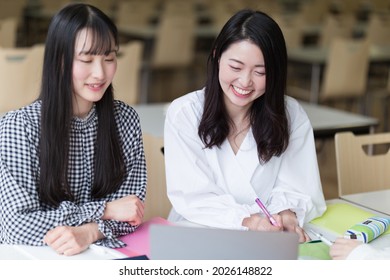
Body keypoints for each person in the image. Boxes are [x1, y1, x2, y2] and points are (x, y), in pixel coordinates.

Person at [164, 9, 326, 242]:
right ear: (217, 56)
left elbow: (299, 187)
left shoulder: (291, 114)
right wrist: (249, 222)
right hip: (199, 233)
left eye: (260, 72)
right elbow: (194, 198)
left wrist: (287, 214)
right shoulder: (185, 113)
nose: (245, 82)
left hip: (268, 237)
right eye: (236, 67)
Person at [0, 3, 147, 256]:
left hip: (101, 259)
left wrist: (89, 232)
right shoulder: (19, 127)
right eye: (87, 59)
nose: (100, 73)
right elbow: (15, 226)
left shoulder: (125, 120)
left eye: (109, 58)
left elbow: (131, 211)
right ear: (59, 60)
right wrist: (104, 211)